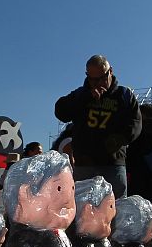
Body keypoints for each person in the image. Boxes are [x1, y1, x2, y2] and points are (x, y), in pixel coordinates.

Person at [55, 55, 142, 198]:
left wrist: (120, 138)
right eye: (93, 80)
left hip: (113, 164)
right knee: (82, 210)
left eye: (103, 77)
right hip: (84, 165)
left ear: (110, 71)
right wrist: (85, 98)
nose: (99, 83)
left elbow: (136, 123)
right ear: (87, 76)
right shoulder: (80, 94)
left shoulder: (124, 95)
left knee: (115, 208)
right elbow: (60, 111)